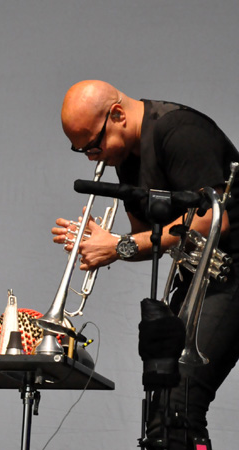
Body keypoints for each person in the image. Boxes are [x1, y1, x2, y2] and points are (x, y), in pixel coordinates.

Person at [52, 80, 239, 450]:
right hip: (197, 278)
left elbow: (214, 218)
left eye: (93, 145)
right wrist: (103, 244)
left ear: (118, 114)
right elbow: (148, 238)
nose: (92, 157)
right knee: (162, 408)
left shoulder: (180, 132)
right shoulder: (127, 158)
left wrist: (118, 246)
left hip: (232, 274)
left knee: (180, 401)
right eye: (82, 151)